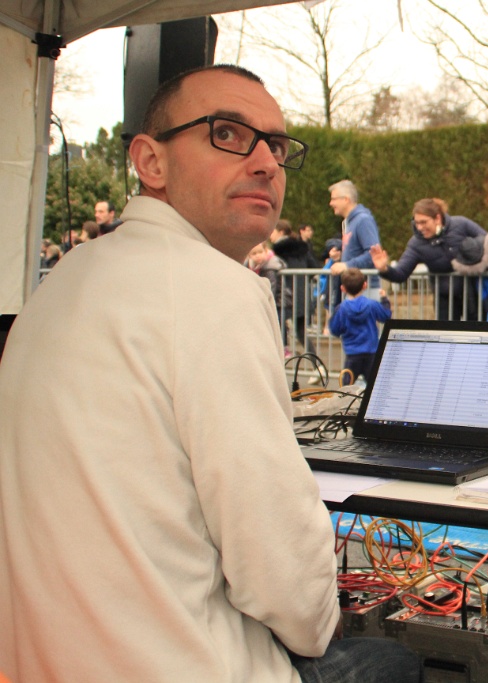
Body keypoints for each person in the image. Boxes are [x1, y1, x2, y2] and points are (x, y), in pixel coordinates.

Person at [0, 64, 420, 683]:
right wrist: (320, 620)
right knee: (396, 660)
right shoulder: (215, 287)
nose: (266, 162)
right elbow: (284, 573)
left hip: (43, 657)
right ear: (151, 161)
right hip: (181, 663)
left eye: (276, 145)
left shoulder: (63, 280)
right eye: (227, 133)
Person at [370, 197, 488, 321]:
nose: (419, 228)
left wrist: (472, 252)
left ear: (437, 218)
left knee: (476, 333)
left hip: (474, 294)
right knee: (446, 335)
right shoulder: (416, 244)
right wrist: (384, 269)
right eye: (417, 223)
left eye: (424, 222)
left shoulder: (461, 224)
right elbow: (401, 273)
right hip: (445, 300)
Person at [328, 269, 392, 386]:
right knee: (374, 387)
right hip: (371, 352)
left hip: (352, 353)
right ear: (364, 285)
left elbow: (334, 329)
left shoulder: (341, 308)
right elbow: (386, 316)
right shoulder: (372, 304)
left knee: (346, 388)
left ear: (343, 288)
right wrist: (384, 300)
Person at [272, 219, 320, 356]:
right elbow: (314, 266)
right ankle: (317, 363)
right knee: (300, 331)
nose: (270, 235)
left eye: (273, 231)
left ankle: (283, 354)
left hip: (286, 294)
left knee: (277, 322)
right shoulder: (302, 247)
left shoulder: (278, 250)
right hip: (302, 292)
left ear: (281, 232)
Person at [327, 180, 381, 298]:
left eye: (334, 199)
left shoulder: (363, 220)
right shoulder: (350, 222)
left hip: (365, 291)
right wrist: (340, 257)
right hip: (354, 290)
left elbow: (374, 254)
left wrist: (347, 265)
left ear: (346, 199)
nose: (331, 203)